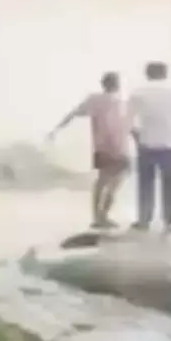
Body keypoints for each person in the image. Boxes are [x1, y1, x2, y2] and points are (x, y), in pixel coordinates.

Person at [48, 71, 131, 229]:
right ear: (117, 84)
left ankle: (98, 217)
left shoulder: (95, 100)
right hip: (119, 148)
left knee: (103, 182)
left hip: (104, 148)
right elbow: (128, 126)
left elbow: (73, 114)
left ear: (103, 84)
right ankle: (102, 216)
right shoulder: (120, 102)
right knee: (113, 183)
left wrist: (56, 130)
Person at [127, 61, 171, 232]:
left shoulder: (138, 94)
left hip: (147, 143)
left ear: (147, 74)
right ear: (165, 73)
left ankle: (143, 220)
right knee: (169, 182)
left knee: (145, 183)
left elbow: (129, 122)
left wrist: (137, 139)